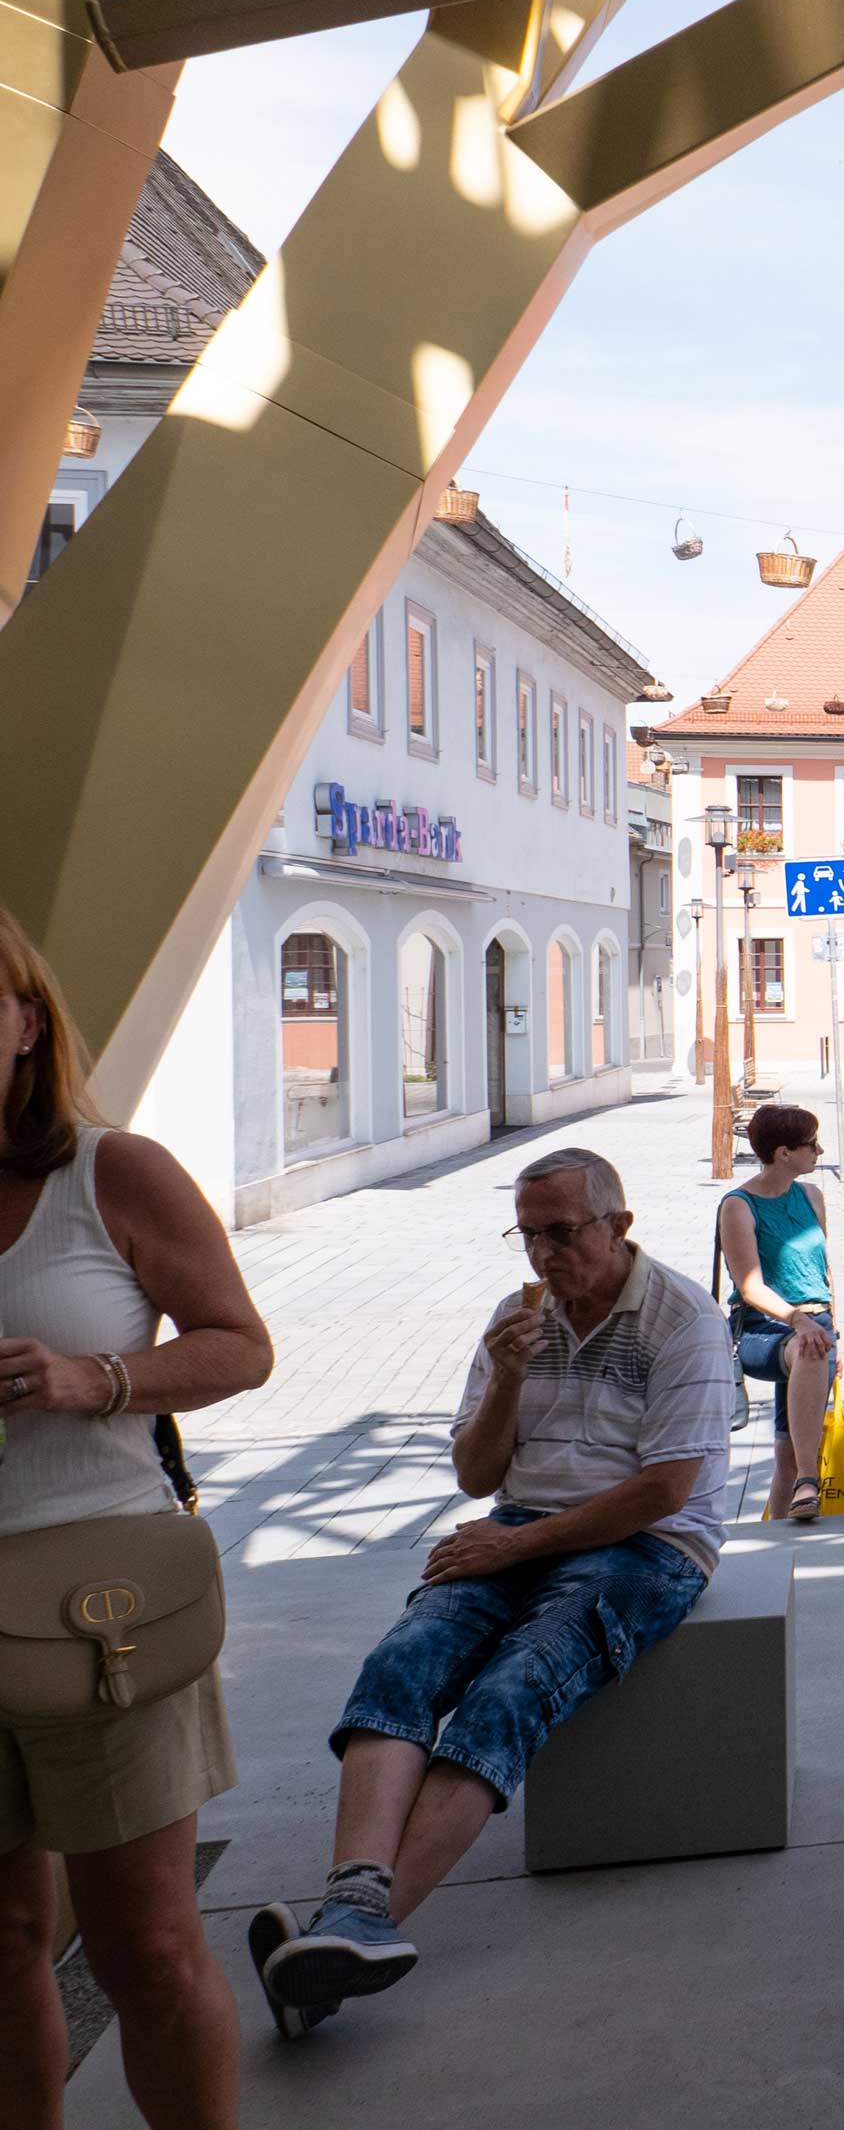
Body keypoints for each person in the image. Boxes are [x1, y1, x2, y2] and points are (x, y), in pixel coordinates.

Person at [251, 1148, 729, 2040]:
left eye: (562, 1232)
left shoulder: (683, 1319)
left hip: (647, 1546)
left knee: (511, 1689)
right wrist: (508, 1378)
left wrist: (514, 1544)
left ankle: (347, 1936)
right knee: (401, 1664)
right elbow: (475, 1476)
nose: (544, 1254)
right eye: (528, 1234)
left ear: (618, 1227)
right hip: (519, 1522)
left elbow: (666, 1492)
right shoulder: (517, 1316)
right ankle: (351, 1919)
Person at [0, 907, 274, 2127]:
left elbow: (240, 1347)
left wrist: (92, 1379)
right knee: (4, 1940)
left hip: (97, 1606)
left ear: (26, 1024)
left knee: (145, 1949)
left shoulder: (110, 1173)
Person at [719, 1102, 836, 1522]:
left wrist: (833, 1329)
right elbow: (750, 1286)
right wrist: (798, 1321)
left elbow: (824, 1271)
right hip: (763, 1328)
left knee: (787, 1451)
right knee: (809, 1351)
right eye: (811, 1144)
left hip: (817, 1326)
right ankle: (810, 1479)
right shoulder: (738, 1205)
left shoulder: (811, 1196)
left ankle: (781, 1528)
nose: (819, 1151)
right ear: (784, 1153)